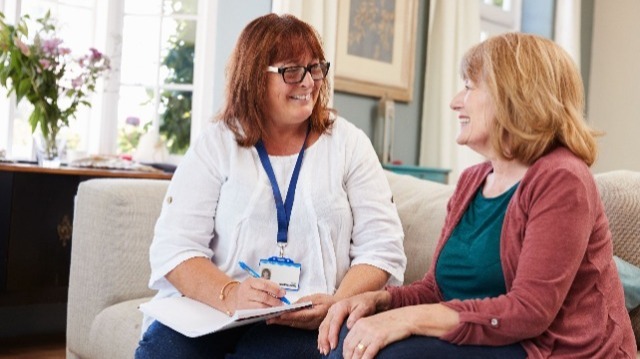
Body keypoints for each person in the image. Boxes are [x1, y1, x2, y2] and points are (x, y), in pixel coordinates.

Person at [317, 32, 637, 358]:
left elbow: (530, 311)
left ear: (515, 96)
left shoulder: (563, 179)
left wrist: (408, 319)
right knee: (348, 337)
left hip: (552, 350)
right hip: (497, 342)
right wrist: (380, 300)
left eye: (469, 87)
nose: (456, 101)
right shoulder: (473, 180)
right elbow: (436, 289)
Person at [134, 13, 406, 359]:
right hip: (217, 313)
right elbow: (175, 248)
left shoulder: (349, 144)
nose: (308, 82)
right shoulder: (216, 144)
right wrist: (230, 293)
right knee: (162, 351)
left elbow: (382, 248)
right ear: (253, 78)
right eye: (291, 71)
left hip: (312, 320)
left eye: (315, 68)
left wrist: (337, 304)